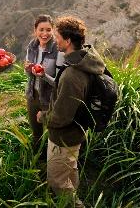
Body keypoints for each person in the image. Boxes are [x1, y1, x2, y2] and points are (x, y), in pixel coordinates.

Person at [37, 16, 105, 207]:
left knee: (57, 182)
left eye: (57, 36)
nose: (54, 39)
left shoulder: (72, 74)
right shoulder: (86, 60)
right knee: (70, 169)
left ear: (67, 41)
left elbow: (61, 116)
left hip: (64, 137)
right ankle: (73, 194)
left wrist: (43, 116)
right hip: (78, 132)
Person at [24, 14, 64, 155]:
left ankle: (53, 161)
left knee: (53, 133)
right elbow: (30, 75)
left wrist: (44, 75)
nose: (44, 34)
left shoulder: (58, 49)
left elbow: (59, 83)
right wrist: (28, 70)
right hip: (32, 95)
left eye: (48, 30)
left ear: (53, 30)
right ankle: (37, 160)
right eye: (41, 29)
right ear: (35, 30)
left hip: (49, 99)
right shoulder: (32, 46)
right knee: (36, 132)